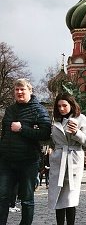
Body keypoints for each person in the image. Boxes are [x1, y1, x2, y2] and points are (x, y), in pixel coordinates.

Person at [0, 78, 52, 225]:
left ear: (30, 90)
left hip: (28, 161)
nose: (19, 92)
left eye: (22, 89)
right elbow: (4, 133)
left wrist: (22, 129)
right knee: (2, 197)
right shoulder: (10, 109)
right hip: (7, 161)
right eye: (17, 90)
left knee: (27, 199)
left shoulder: (39, 109)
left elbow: (45, 134)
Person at [48, 92, 86, 225]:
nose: (61, 109)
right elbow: (52, 139)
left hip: (73, 159)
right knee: (58, 196)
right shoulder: (55, 120)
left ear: (71, 105)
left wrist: (76, 133)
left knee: (70, 198)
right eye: (59, 106)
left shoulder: (81, 118)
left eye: (64, 105)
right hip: (58, 160)